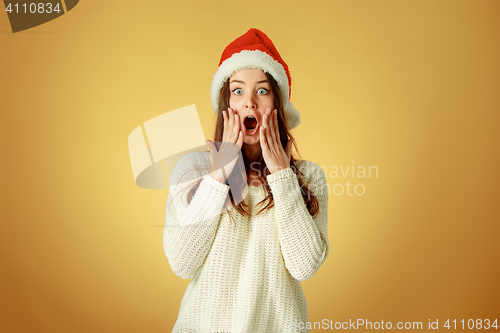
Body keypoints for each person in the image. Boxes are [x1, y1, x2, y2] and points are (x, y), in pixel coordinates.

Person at [163, 28, 329, 332]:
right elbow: (181, 262)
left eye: (262, 91)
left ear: (278, 107)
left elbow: (304, 266)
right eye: (238, 91)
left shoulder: (308, 177)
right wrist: (219, 175)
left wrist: (282, 176)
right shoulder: (192, 170)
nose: (250, 102)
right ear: (226, 104)